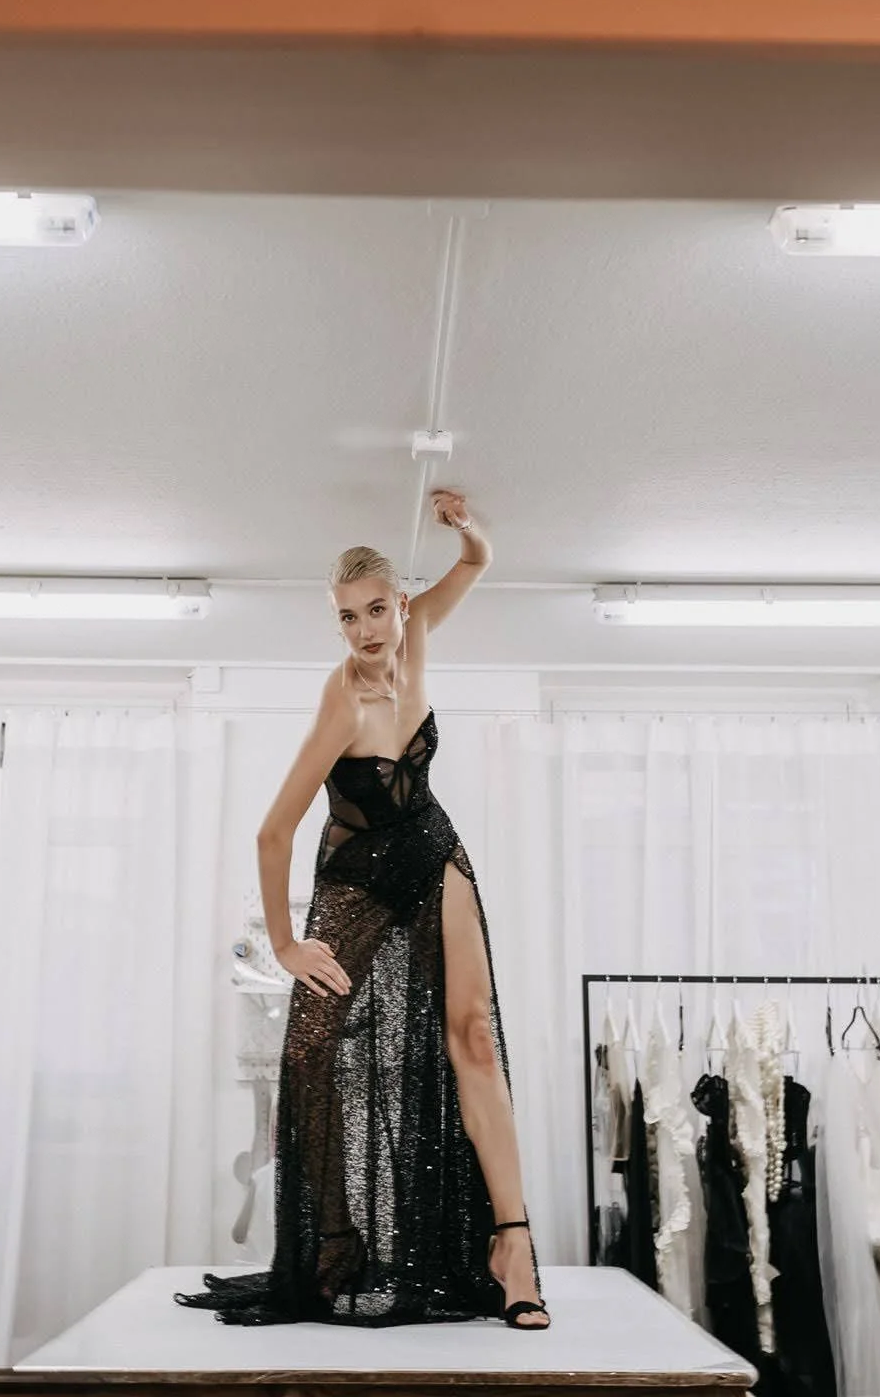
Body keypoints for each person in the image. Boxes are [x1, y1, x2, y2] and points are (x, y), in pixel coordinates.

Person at [176, 489, 550, 1330]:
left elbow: (478, 561)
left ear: (398, 606)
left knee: (474, 1036)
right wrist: (285, 944)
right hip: (355, 879)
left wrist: (465, 526)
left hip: (430, 851)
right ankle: (333, 1246)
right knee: (312, 1051)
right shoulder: (341, 698)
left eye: (374, 609)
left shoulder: (415, 643)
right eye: (346, 617)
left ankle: (512, 1247)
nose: (363, 630)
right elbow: (273, 832)